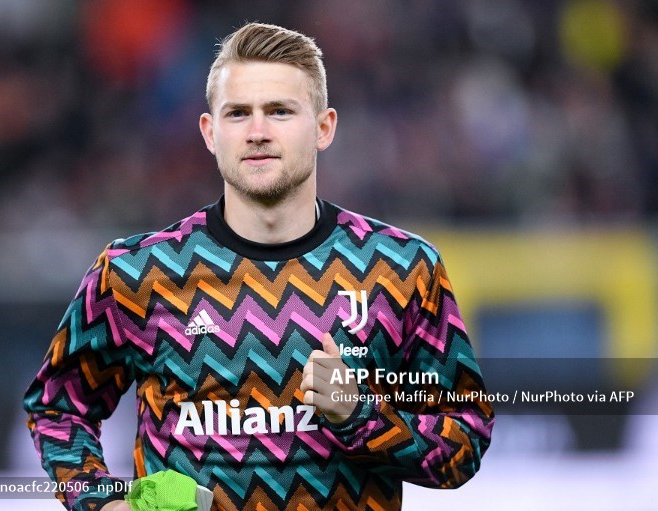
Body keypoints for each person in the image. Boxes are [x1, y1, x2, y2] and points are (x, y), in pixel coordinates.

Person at [24, 22, 494, 511]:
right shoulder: (136, 271)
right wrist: (102, 503)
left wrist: (360, 415)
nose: (257, 132)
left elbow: (464, 439)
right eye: (238, 113)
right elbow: (56, 408)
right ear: (210, 132)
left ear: (324, 127)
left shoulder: (401, 268)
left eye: (280, 111)